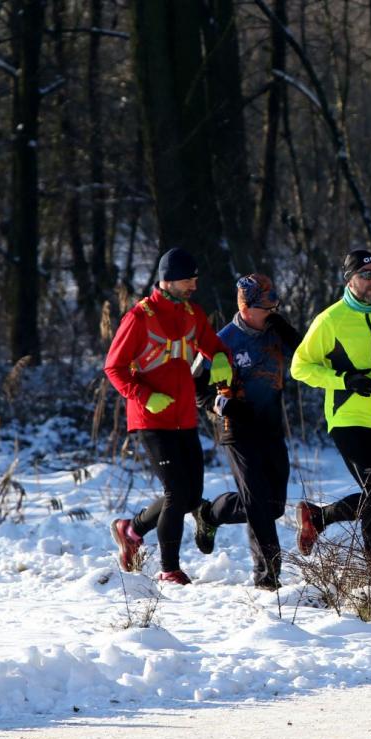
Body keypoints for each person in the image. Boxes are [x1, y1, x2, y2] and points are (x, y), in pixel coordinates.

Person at [104, 248, 232, 585]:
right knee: (177, 493)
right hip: (151, 419)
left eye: (195, 278)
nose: (194, 284)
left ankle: (131, 529)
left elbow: (212, 345)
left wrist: (219, 358)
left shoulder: (193, 313)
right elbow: (113, 368)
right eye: (188, 279)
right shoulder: (139, 317)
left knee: (191, 495)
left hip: (184, 417)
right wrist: (144, 395)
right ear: (169, 280)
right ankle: (169, 569)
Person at [290, 250, 371, 562]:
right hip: (348, 418)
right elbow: (300, 367)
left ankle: (318, 518)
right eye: (366, 275)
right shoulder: (330, 320)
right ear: (350, 280)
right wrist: (344, 380)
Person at [191, 273, 303, 590]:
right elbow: (194, 386)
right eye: (266, 305)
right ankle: (267, 578)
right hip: (238, 430)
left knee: (274, 506)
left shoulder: (276, 331)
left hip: (271, 428)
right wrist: (220, 405)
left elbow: (309, 355)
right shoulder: (222, 341)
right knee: (257, 503)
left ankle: (210, 513)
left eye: (274, 303)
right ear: (246, 307)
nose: (273, 310)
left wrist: (293, 334)